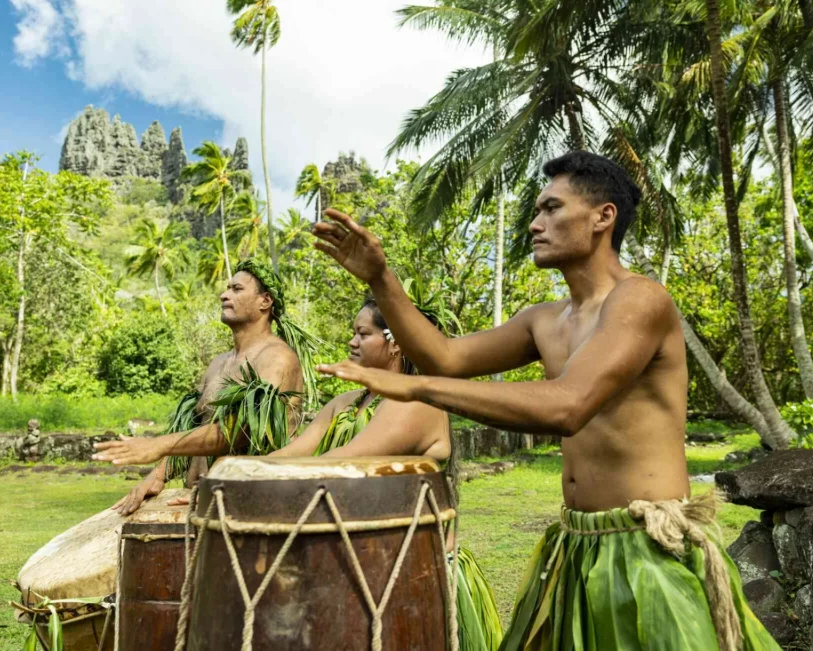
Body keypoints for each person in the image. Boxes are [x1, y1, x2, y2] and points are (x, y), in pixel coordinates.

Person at [311, 151, 779, 651]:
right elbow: (445, 356)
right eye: (537, 211)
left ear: (603, 216)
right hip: (574, 547)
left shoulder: (641, 300)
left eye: (551, 208)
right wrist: (381, 280)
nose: (535, 223)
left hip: (647, 549)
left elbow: (567, 406)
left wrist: (417, 387)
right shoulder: (545, 320)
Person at [95, 294, 504, 651]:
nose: (352, 341)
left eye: (363, 334)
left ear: (395, 343)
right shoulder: (346, 402)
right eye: (353, 332)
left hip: (411, 573)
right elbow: (291, 453)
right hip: (350, 562)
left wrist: (227, 474)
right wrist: (226, 478)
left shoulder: (417, 404)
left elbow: (340, 461)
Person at [95, 259, 316, 515]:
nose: (224, 295)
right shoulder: (219, 363)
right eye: (226, 288)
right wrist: (158, 474)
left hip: (250, 507)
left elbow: (243, 430)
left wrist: (158, 444)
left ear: (265, 301)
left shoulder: (277, 358)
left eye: (236, 289)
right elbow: (197, 430)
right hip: (201, 501)